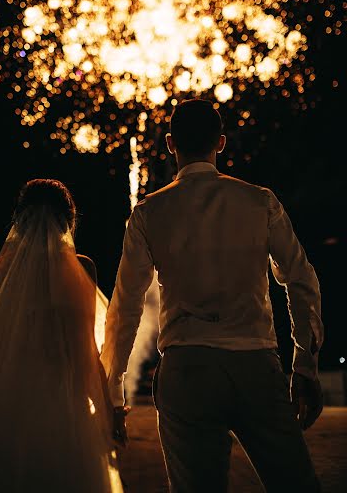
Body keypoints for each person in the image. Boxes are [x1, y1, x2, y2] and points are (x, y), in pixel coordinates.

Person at [101, 100, 324, 492]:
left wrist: (114, 391)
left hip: (186, 371)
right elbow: (301, 280)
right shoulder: (260, 201)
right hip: (255, 365)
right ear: (220, 143)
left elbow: (125, 307)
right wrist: (305, 363)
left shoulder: (148, 213)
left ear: (170, 144)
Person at [0, 179, 123, 493]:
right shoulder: (82, 268)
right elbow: (85, 352)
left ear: (19, 219)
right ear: (67, 221)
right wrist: (108, 411)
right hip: (60, 403)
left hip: (1, 401)